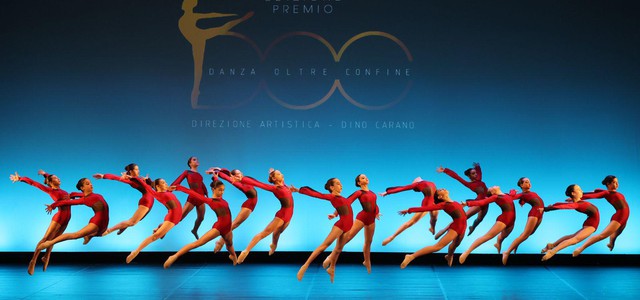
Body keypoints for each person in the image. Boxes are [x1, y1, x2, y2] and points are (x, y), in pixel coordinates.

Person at [179, 0, 253, 108]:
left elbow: (211, 15)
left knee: (198, 70)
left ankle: (195, 99)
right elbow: (211, 16)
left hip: (198, 37)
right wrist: (228, 17)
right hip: (198, 37)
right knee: (198, 70)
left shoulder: (188, 18)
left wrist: (227, 15)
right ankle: (194, 99)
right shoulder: (187, 18)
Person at [10, 170, 75, 275]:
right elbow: (34, 183)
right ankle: (33, 260)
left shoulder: (64, 191)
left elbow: (49, 176)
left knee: (53, 240)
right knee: (46, 238)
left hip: (67, 219)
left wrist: (45, 174)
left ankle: (46, 256)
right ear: (50, 182)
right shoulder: (51, 191)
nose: (59, 178)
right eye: (56, 178)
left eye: (58, 177)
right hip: (59, 217)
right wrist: (20, 178)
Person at [164, 180, 237, 268]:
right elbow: (193, 193)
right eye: (220, 190)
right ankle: (174, 256)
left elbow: (216, 182)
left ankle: (233, 256)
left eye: (223, 190)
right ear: (213, 189)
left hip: (228, 228)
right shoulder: (210, 201)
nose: (222, 192)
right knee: (198, 243)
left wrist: (215, 176)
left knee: (229, 244)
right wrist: (179, 188)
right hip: (219, 227)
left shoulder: (221, 198)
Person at [294, 178, 353, 283]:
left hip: (349, 226)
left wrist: (334, 214)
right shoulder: (332, 196)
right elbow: (316, 194)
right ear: (332, 187)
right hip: (341, 225)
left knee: (338, 250)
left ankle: (332, 268)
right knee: (323, 246)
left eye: (341, 183)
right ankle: (305, 266)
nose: (341, 186)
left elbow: (343, 207)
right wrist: (299, 190)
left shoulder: (342, 198)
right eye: (338, 184)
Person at [322, 174, 379, 273]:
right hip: (362, 217)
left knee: (368, 241)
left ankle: (367, 261)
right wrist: (335, 214)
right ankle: (331, 256)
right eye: (362, 178)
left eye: (366, 177)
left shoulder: (372, 193)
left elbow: (374, 204)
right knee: (347, 238)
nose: (366, 178)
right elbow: (346, 202)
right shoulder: (358, 192)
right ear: (359, 183)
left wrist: (377, 212)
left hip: (371, 219)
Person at [236, 169, 295, 264]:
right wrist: (242, 179)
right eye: (279, 174)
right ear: (275, 178)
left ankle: (273, 245)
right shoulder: (275, 188)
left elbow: (285, 190)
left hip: (289, 216)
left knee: (276, 234)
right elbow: (259, 184)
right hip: (282, 215)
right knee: (263, 234)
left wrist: (272, 172)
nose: (282, 174)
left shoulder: (284, 184)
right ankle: (246, 251)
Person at [398, 188, 467, 268]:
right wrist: (409, 210)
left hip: (463, 227)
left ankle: (449, 256)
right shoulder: (444, 205)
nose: (443, 189)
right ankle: (411, 256)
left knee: (455, 245)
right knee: (438, 247)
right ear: (440, 197)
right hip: (456, 228)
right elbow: (425, 208)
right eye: (440, 190)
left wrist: (466, 204)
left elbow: (459, 211)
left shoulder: (455, 202)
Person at [37, 178, 109, 250]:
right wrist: (53, 205)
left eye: (90, 183)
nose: (91, 184)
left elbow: (83, 194)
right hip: (97, 222)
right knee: (75, 235)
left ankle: (88, 236)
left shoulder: (95, 195)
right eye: (87, 183)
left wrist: (72, 195)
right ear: (82, 187)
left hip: (104, 224)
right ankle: (49, 243)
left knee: (99, 234)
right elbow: (66, 202)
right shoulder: (85, 200)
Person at [126, 178, 183, 264]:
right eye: (163, 183)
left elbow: (153, 183)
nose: (166, 184)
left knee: (160, 234)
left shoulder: (167, 191)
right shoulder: (157, 194)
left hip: (176, 217)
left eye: (165, 182)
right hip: (172, 217)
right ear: (158, 186)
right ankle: (136, 251)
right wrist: (134, 178)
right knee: (155, 236)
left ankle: (159, 228)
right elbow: (145, 185)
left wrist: (148, 179)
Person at [572, 175, 628, 255]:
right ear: (608, 184)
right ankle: (580, 249)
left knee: (615, 234)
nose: (617, 185)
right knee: (602, 235)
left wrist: (595, 190)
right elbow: (593, 195)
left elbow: (596, 191)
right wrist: (578, 198)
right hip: (619, 216)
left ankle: (610, 244)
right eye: (614, 183)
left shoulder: (610, 192)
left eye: (617, 183)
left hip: (625, 217)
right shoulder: (606, 193)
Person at [541, 184, 599, 261]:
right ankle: (552, 251)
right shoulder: (577, 205)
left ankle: (552, 245)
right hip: (591, 225)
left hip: (590, 222)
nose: (581, 191)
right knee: (574, 240)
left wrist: (553, 206)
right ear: (573, 193)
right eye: (579, 189)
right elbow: (564, 206)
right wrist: (549, 208)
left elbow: (564, 204)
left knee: (572, 237)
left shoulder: (577, 202)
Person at [458, 186, 516, 264]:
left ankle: (497, 244)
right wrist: (467, 203)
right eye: (491, 188)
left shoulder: (505, 194)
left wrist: (513, 191)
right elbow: (482, 202)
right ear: (492, 192)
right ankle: (467, 252)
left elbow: (511, 195)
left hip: (512, 220)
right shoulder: (496, 197)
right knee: (487, 236)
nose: (492, 186)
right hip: (504, 219)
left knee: (503, 236)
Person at [94, 163, 154, 236]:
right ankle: (107, 231)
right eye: (136, 169)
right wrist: (104, 176)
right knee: (132, 222)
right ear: (131, 171)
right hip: (146, 200)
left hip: (150, 200)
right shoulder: (131, 181)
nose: (138, 171)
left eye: (138, 169)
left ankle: (124, 226)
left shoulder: (141, 179)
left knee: (139, 219)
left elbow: (153, 186)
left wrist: (149, 181)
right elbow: (116, 178)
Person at [209, 168, 258, 253]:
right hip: (249, 204)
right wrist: (217, 173)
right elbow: (228, 177)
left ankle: (221, 241)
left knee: (234, 224)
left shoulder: (245, 179)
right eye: (237, 174)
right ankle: (220, 242)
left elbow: (228, 173)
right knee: (234, 224)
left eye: (240, 173)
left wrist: (220, 169)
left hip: (250, 204)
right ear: (234, 177)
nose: (240, 175)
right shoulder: (237, 183)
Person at [380, 177, 437, 246]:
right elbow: (403, 188)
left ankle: (432, 228)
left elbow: (403, 188)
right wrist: (388, 192)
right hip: (428, 204)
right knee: (412, 222)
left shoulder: (419, 184)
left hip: (433, 203)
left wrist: (387, 192)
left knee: (434, 218)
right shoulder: (421, 184)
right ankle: (392, 237)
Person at [437, 163, 489, 237]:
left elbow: (479, 172)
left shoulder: (479, 179)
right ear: (469, 176)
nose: (476, 175)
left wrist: (477, 166)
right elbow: (457, 177)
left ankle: (472, 227)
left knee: (480, 219)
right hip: (478, 203)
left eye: (476, 173)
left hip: (486, 203)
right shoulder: (469, 184)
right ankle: (444, 230)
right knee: (463, 217)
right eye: (473, 173)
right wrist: (445, 170)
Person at [502, 177, 544, 265]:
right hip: (534, 213)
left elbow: (530, 198)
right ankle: (507, 251)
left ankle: (516, 244)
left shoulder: (532, 192)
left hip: (541, 213)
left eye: (529, 182)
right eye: (526, 182)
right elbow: (510, 198)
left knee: (530, 233)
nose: (529, 183)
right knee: (525, 234)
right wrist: (512, 193)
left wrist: (522, 201)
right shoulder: (521, 194)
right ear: (521, 185)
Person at [172, 156, 208, 239]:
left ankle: (194, 230)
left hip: (201, 198)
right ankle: (163, 229)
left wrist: (206, 193)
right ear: (190, 163)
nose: (197, 160)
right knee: (179, 217)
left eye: (197, 159)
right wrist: (172, 187)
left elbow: (201, 184)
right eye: (194, 160)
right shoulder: (187, 172)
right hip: (192, 197)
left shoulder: (199, 175)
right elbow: (179, 180)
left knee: (201, 218)